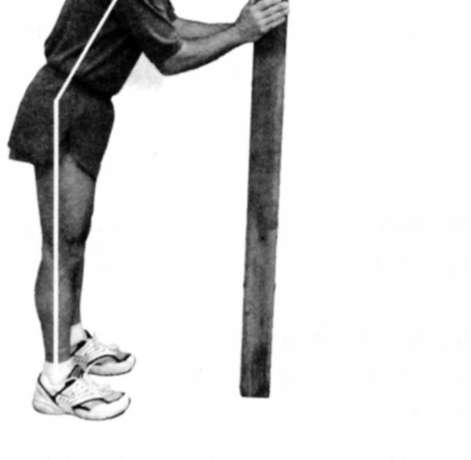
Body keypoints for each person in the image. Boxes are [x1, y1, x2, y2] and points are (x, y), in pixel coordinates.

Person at [8, 0, 289, 421]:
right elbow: (171, 58)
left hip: (88, 104)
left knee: (74, 240)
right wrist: (238, 34)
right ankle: (55, 380)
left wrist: (238, 26)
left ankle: (72, 338)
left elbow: (169, 25)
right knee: (61, 248)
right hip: (64, 101)